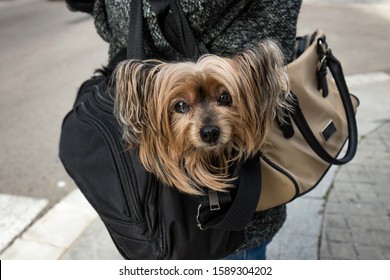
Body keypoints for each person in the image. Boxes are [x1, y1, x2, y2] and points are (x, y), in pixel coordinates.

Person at [66, 0, 302, 260]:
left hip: (232, 226)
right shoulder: (143, 97)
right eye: (181, 106)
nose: (208, 125)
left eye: (224, 99)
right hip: (176, 222)